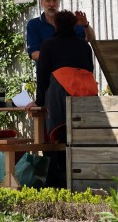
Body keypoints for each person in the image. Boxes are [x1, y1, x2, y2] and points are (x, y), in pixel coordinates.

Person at [25, 10, 96, 187]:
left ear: (55, 25)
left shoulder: (49, 45)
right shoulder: (84, 46)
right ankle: (84, 177)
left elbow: (42, 76)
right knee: (81, 136)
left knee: (57, 136)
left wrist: (39, 100)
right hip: (86, 96)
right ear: (74, 26)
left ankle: (58, 180)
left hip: (60, 94)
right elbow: (90, 70)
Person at [26, 0, 96, 62]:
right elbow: (34, 54)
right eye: (48, 1)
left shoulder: (69, 20)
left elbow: (90, 38)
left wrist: (86, 25)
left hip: (72, 71)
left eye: (55, 0)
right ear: (41, 2)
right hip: (47, 73)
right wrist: (62, 55)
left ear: (59, 2)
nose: (52, 4)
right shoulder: (33, 24)